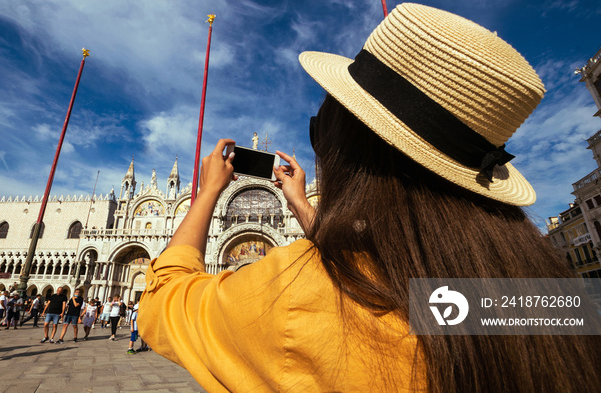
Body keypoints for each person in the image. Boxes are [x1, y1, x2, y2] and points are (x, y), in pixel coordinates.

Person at [137, 4, 601, 392]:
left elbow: (164, 303)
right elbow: (379, 266)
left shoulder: (301, 294)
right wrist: (301, 203)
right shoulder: (544, 295)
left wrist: (208, 192)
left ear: (346, 152)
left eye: (320, 131)